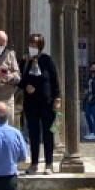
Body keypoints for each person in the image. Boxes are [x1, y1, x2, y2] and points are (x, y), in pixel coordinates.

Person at [20, 32, 61, 174]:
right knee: (33, 134)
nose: (32, 47)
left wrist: (57, 98)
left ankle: (49, 163)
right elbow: (19, 79)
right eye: (30, 44)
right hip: (31, 104)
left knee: (48, 133)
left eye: (35, 45)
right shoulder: (25, 62)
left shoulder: (47, 61)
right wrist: (26, 86)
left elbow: (55, 81)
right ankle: (34, 163)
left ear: (40, 46)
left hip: (47, 103)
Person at [82, 61, 95, 140]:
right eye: (92, 67)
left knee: (94, 116)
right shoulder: (89, 78)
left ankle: (94, 133)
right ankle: (91, 132)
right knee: (87, 115)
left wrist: (93, 97)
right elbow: (86, 86)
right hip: (88, 98)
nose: (93, 69)